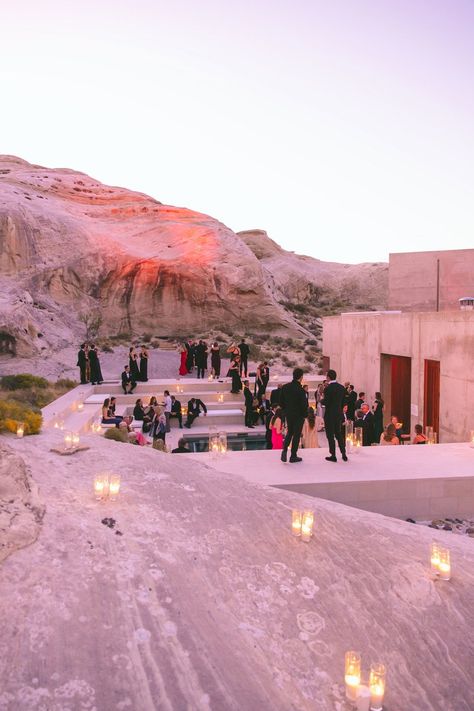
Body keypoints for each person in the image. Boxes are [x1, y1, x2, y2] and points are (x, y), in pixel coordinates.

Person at [280, 367, 307, 463]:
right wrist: (305, 415)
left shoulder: (285, 387)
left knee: (289, 432)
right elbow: (304, 405)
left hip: (289, 414)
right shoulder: (301, 390)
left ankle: (284, 450)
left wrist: (286, 410)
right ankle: (293, 456)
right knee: (296, 435)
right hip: (299, 415)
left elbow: (281, 402)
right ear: (301, 377)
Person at [321, 369, 347, 462]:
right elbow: (344, 401)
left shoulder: (328, 388)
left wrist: (321, 400)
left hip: (329, 415)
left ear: (328, 377)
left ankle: (333, 455)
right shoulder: (341, 388)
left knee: (330, 435)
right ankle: (343, 453)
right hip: (338, 414)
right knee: (339, 434)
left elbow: (326, 402)